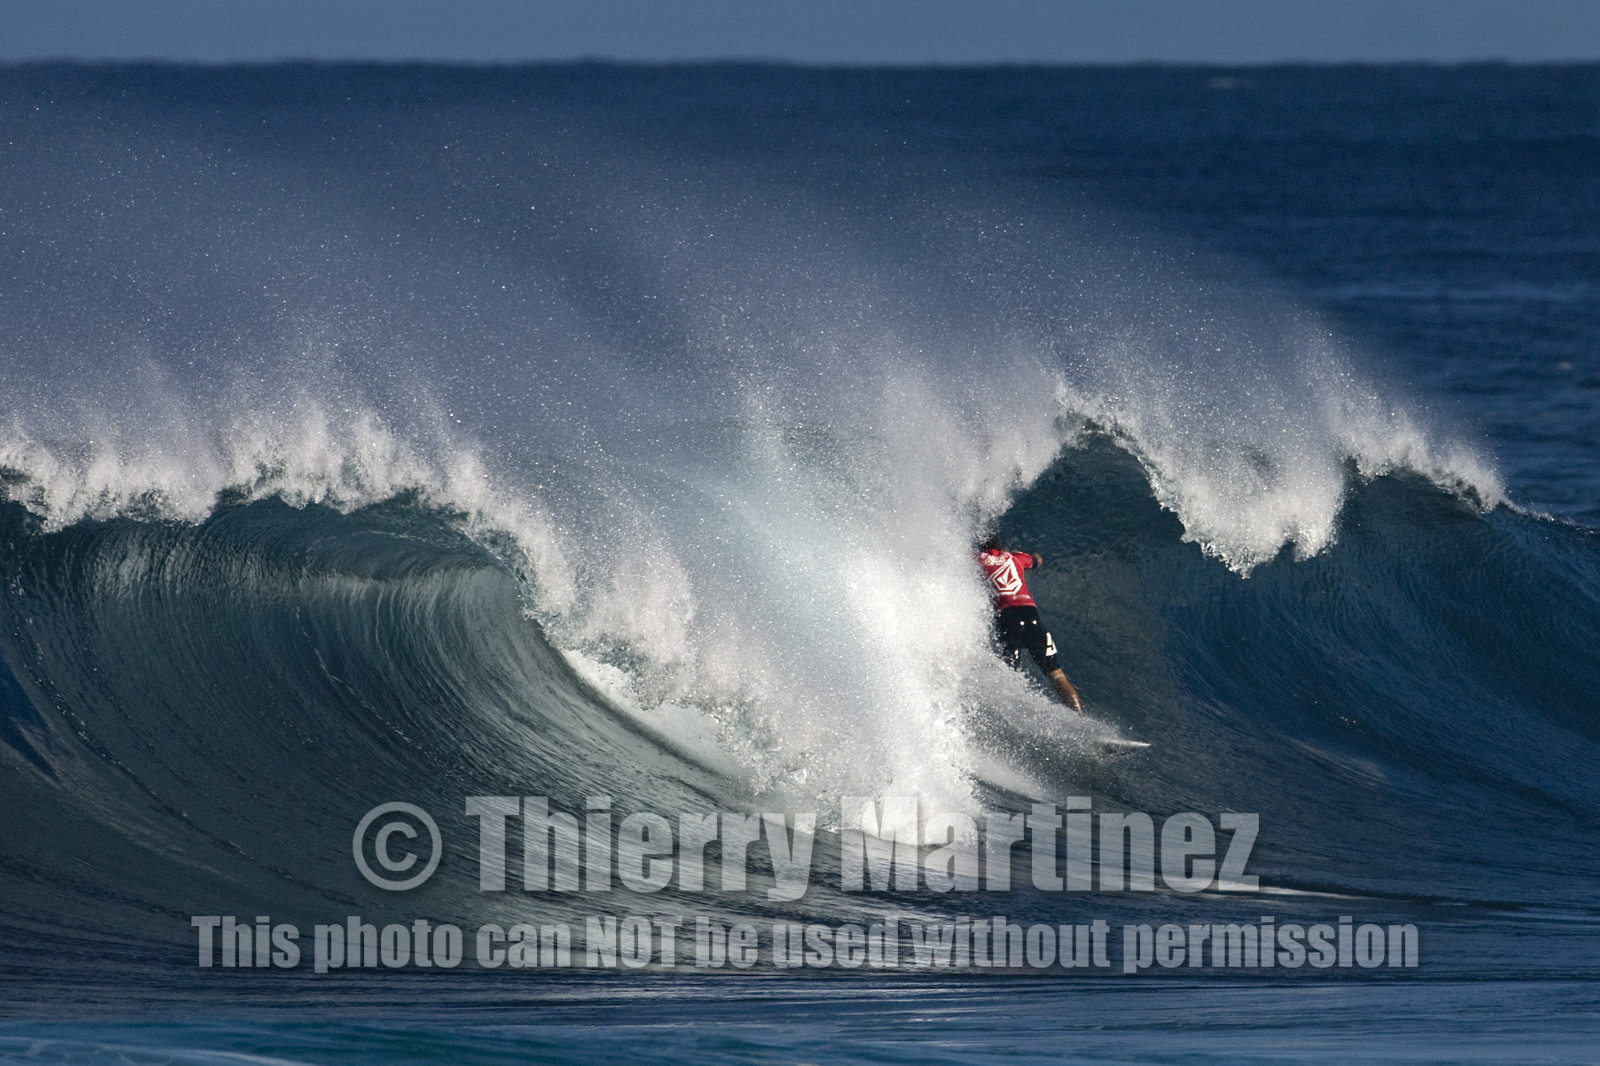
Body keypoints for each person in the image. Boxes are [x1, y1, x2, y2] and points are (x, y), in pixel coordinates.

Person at [977, 535, 1084, 715]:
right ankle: (1080, 716)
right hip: (1031, 615)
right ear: (1002, 548)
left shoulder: (977, 560)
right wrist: (1031, 555)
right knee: (1057, 675)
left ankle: (1013, 722)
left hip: (1007, 620)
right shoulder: (1016, 558)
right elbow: (1037, 561)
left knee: (1006, 679)